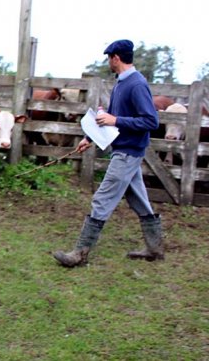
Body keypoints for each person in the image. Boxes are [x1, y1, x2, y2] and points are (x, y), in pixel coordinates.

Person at [53, 39, 163, 267]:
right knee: (139, 200)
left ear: (116, 58)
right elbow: (109, 119)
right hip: (124, 150)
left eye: (108, 58)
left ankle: (79, 254)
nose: (108, 62)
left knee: (102, 199)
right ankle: (154, 249)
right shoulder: (121, 83)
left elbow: (151, 121)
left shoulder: (136, 84)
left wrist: (116, 120)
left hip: (128, 153)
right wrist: (89, 138)